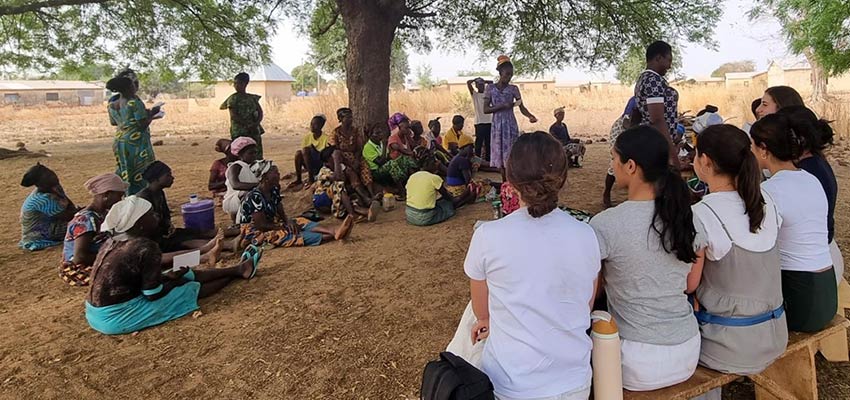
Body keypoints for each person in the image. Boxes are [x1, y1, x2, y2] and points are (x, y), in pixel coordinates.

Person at [462, 131, 599, 399]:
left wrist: (487, 320)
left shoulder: (488, 236)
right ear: (563, 178)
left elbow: (482, 311)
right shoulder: (586, 234)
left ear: (510, 180)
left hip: (511, 386)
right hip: (575, 384)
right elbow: (585, 305)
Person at [589, 125, 700, 391]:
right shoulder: (687, 216)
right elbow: (690, 285)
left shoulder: (606, 224)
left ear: (630, 166)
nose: (611, 165)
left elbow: (589, 297)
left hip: (634, 363)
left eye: (614, 158)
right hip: (688, 351)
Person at [686, 125, 787, 377]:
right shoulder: (767, 201)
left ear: (705, 161)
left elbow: (688, 284)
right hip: (773, 335)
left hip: (726, 346)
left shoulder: (702, 214)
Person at [85, 196, 261, 335]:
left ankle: (239, 269)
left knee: (182, 274)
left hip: (94, 313)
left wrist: (169, 276)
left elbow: (133, 280)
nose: (157, 217)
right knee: (187, 288)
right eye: (151, 215)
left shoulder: (112, 242)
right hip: (117, 316)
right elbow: (153, 294)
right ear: (139, 224)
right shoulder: (145, 247)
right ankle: (234, 274)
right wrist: (172, 281)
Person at [751, 113, 836, 332]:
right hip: (827, 291)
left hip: (801, 299)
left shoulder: (771, 191)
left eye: (752, 146)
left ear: (763, 149)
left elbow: (754, 242)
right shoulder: (810, 179)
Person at [239, 163, 354, 248]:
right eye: (275, 172)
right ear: (265, 178)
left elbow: (279, 209)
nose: (279, 174)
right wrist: (282, 226)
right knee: (285, 234)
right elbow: (261, 225)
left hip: (271, 223)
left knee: (299, 221)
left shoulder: (273, 189)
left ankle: (334, 231)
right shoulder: (255, 197)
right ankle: (332, 235)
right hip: (255, 231)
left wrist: (287, 221)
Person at [60, 173, 127, 286]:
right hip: (78, 267)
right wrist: (113, 257)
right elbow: (80, 257)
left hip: (97, 259)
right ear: (107, 194)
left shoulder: (102, 214)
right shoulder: (85, 219)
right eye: (119, 196)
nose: (120, 200)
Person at [484, 55, 538, 180]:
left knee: (511, 155)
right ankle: (505, 183)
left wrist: (530, 116)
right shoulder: (490, 89)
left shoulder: (514, 89)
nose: (509, 77)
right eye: (507, 74)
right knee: (500, 157)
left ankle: (512, 182)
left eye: (511, 75)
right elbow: (485, 109)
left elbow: (521, 106)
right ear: (500, 72)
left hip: (510, 125)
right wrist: (503, 106)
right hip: (497, 126)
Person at [106, 76, 159, 195]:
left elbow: (113, 122)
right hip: (136, 142)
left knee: (125, 169)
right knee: (143, 171)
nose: (135, 87)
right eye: (133, 85)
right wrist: (153, 114)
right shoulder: (134, 103)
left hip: (120, 141)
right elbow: (142, 124)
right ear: (128, 87)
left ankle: (127, 194)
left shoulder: (112, 105)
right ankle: (142, 196)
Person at [634, 40, 680, 169]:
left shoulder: (648, 79)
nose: (670, 66)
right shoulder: (652, 81)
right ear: (658, 58)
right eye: (669, 60)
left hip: (654, 141)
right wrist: (673, 156)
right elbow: (657, 120)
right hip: (656, 143)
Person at [19, 163, 76, 251]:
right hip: (41, 233)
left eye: (51, 173)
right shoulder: (42, 199)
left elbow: (70, 206)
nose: (54, 176)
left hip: (53, 224)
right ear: (39, 182)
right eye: (48, 176)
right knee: (85, 224)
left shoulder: (55, 188)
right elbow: (68, 216)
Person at [405, 158, 474, 226]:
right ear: (433, 165)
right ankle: (469, 195)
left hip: (410, 214)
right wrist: (466, 192)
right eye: (436, 163)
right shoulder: (434, 178)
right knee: (448, 205)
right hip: (425, 217)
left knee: (439, 201)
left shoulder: (413, 176)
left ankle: (468, 196)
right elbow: (449, 198)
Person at [329, 107, 374, 204]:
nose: (350, 119)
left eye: (351, 117)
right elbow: (336, 151)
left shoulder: (355, 131)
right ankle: (365, 197)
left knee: (365, 167)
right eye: (347, 117)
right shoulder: (335, 133)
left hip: (355, 156)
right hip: (342, 160)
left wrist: (357, 160)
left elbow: (359, 148)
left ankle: (372, 194)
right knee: (350, 171)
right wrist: (348, 164)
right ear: (340, 119)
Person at [603, 97, 638, 208]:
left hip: (633, 131)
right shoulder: (635, 101)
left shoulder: (648, 99)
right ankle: (607, 193)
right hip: (620, 131)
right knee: (615, 162)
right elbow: (626, 123)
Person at [220, 72, 265, 159]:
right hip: (240, 131)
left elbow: (260, 112)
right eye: (235, 83)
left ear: (246, 84)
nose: (236, 86)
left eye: (240, 83)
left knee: (255, 151)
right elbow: (233, 115)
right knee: (240, 151)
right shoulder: (233, 99)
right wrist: (248, 125)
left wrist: (256, 123)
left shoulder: (252, 98)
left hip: (253, 130)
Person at [362, 124, 418, 191]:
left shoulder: (381, 143)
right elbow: (380, 163)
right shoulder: (368, 147)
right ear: (370, 135)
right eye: (377, 133)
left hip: (386, 167)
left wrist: (398, 163)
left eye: (380, 132)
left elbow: (388, 157)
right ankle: (401, 191)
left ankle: (415, 180)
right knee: (392, 164)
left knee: (405, 159)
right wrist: (385, 147)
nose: (380, 135)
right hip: (376, 172)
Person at [223, 137, 262, 220]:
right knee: (248, 194)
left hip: (250, 196)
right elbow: (235, 185)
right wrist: (259, 185)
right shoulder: (236, 166)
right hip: (234, 200)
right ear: (240, 155)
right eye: (250, 153)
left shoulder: (256, 166)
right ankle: (238, 220)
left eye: (255, 152)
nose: (254, 155)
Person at [292, 114, 333, 189]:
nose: (312, 126)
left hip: (320, 164)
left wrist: (312, 150)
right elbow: (303, 153)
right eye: (311, 123)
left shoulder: (326, 138)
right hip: (309, 163)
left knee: (307, 149)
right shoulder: (307, 137)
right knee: (298, 153)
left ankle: (311, 178)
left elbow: (325, 155)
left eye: (315, 124)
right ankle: (299, 179)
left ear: (321, 126)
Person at [467, 77, 494, 161]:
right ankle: (477, 160)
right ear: (476, 86)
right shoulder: (475, 95)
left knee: (488, 143)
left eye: (482, 85)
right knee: (478, 143)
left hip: (489, 122)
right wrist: (476, 80)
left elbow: (491, 83)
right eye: (479, 85)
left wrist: (483, 81)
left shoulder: (488, 94)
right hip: (479, 122)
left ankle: (488, 160)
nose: (481, 86)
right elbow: (468, 82)